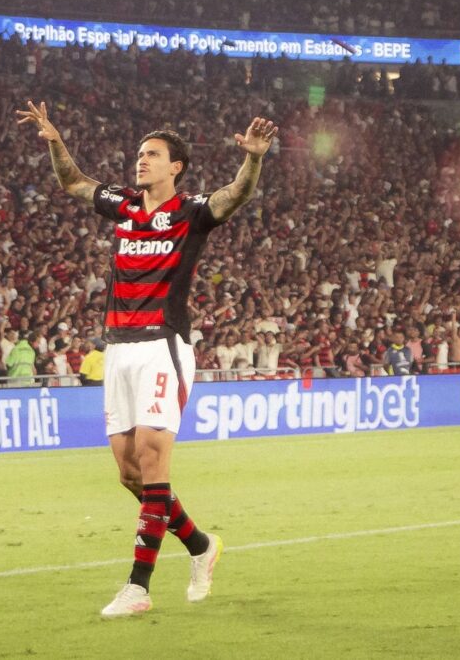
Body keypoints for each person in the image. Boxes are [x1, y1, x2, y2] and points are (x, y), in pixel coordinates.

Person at [19, 100, 272, 618]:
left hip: (162, 344)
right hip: (117, 347)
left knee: (155, 460)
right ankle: (201, 545)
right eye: (139, 153)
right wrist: (54, 140)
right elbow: (75, 183)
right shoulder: (125, 204)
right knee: (131, 474)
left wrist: (253, 159)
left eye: (152, 155)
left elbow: (236, 195)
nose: (141, 160)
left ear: (175, 166)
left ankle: (138, 585)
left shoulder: (193, 212)